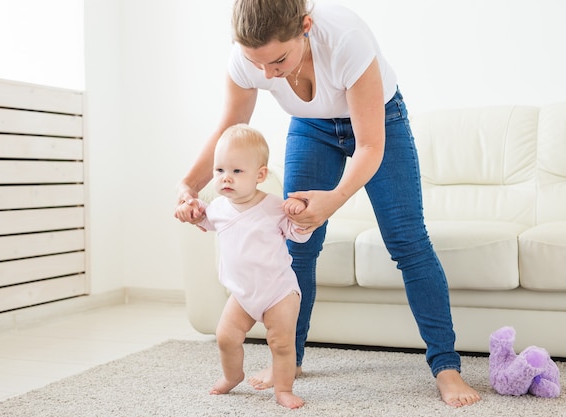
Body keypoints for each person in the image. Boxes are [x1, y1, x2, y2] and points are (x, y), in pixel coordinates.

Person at [175, 0, 481, 408]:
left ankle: (446, 367)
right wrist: (188, 185)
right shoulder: (247, 59)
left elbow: (370, 145)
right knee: (298, 242)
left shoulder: (345, 40)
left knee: (407, 240)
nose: (267, 75)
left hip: (380, 121)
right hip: (311, 126)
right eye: (257, 63)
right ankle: (291, 360)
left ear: (305, 26)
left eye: (278, 60)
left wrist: (334, 201)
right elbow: (230, 130)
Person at [175, 123, 312, 409]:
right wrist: (188, 211)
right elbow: (199, 219)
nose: (226, 178)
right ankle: (233, 375)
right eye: (220, 170)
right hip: (242, 293)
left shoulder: (275, 207)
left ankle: (284, 388)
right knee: (225, 338)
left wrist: (300, 217)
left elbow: (300, 236)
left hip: (279, 292)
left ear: (260, 175)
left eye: (237, 171)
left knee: (281, 344)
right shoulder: (218, 209)